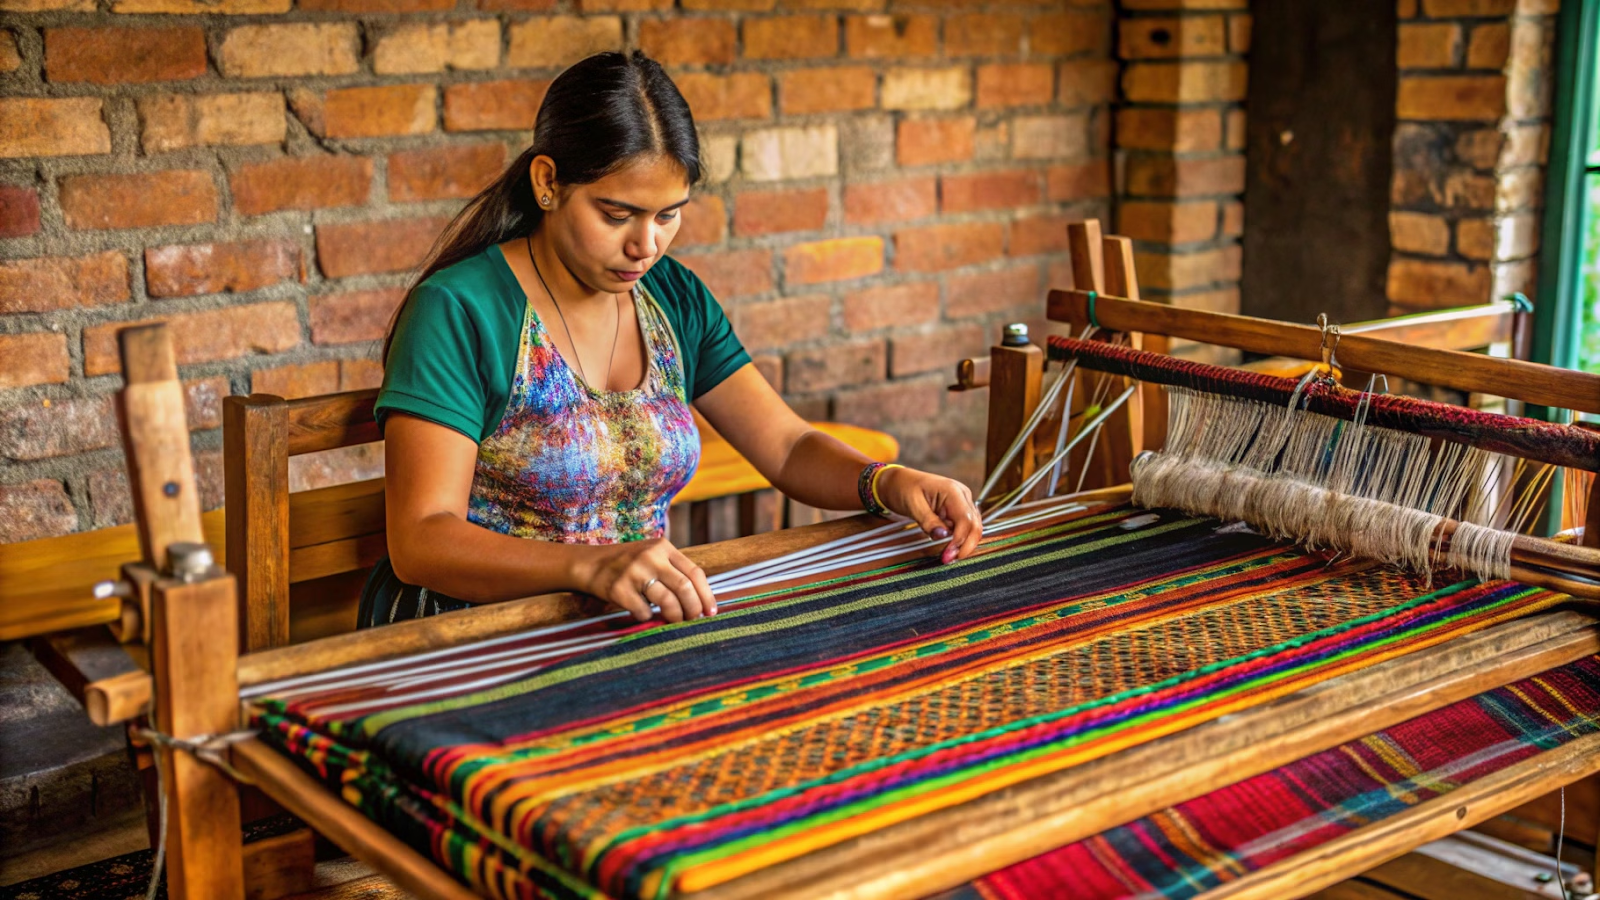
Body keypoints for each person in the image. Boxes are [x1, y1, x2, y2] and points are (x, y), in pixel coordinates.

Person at [358, 50, 982, 629]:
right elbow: (422, 539)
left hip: (621, 623)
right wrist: (590, 566)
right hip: (464, 635)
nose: (646, 246)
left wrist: (888, 482)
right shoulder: (462, 310)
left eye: (668, 215)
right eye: (617, 214)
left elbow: (787, 448)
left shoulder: (672, 301)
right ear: (547, 183)